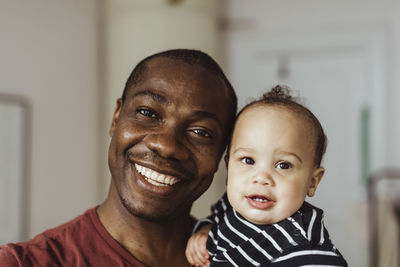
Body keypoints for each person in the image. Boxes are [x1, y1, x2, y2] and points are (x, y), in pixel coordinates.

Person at [0, 49, 238, 266]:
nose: (165, 146)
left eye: (201, 132)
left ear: (221, 156)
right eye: (148, 113)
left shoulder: (241, 259)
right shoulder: (22, 262)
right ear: (116, 118)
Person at [185, 86, 348, 266]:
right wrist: (204, 232)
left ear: (312, 181)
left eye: (283, 165)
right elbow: (216, 219)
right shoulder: (231, 205)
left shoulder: (306, 251)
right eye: (248, 160)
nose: (261, 178)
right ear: (228, 165)